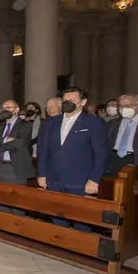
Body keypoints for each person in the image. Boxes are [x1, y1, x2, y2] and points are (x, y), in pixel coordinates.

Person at [37, 87, 109, 230]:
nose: (67, 103)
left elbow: (101, 154)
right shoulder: (51, 122)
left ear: (83, 102)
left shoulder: (94, 123)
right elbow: (43, 150)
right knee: (57, 220)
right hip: (54, 179)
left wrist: (94, 179)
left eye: (71, 100)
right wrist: (41, 173)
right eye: (65, 100)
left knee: (81, 222)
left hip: (80, 181)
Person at [0, 100, 34, 215]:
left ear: (16, 110)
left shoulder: (25, 125)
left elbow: (19, 144)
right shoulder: (0, 125)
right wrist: (6, 139)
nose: (4, 110)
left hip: (14, 169)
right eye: (3, 108)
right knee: (0, 202)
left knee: (17, 204)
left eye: (8, 107)